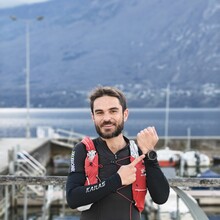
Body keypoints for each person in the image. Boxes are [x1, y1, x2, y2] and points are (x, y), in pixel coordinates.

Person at [66, 86, 170, 220]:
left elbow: (161, 197)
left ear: (125, 114)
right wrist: (118, 180)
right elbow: (73, 198)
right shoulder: (83, 150)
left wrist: (150, 154)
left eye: (113, 111)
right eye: (99, 113)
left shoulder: (138, 151)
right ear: (93, 117)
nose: (106, 118)